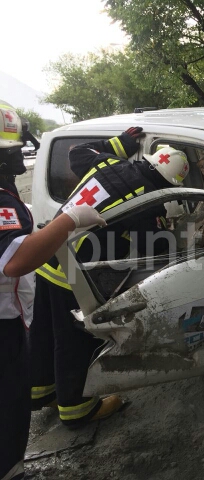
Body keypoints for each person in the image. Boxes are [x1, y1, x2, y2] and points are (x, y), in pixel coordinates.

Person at [29, 128, 189, 428]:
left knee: (43, 331)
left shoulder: (109, 163)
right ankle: (76, 409)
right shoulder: (145, 200)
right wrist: (174, 240)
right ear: (167, 182)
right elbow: (156, 248)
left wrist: (121, 143)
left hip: (49, 256)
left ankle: (39, 393)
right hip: (74, 273)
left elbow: (77, 153)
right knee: (73, 339)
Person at [0, 100, 106, 480]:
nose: (20, 160)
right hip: (6, 319)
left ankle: (37, 398)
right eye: (10, 153)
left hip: (18, 310)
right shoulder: (1, 200)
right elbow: (14, 260)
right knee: (9, 408)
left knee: (27, 374)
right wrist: (68, 220)